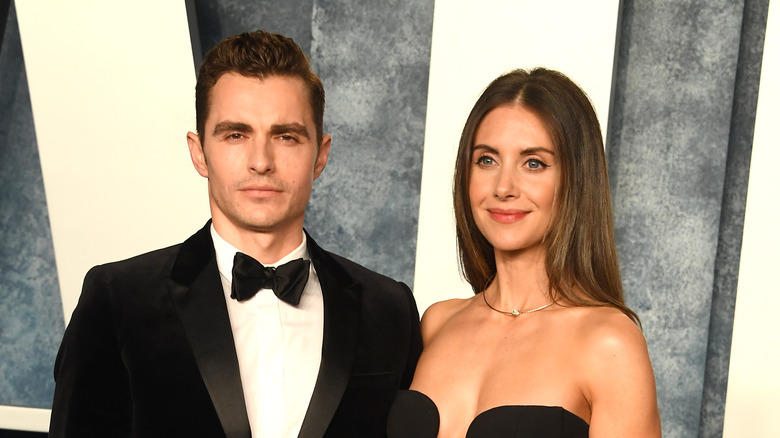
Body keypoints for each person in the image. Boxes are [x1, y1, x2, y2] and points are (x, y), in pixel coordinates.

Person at [49, 30, 422, 438]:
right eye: (235, 134)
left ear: (321, 155)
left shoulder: (388, 309)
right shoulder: (116, 299)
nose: (261, 161)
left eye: (286, 136)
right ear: (198, 152)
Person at [387, 68, 661, 437]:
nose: (503, 187)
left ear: (575, 180)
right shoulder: (437, 323)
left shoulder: (609, 344)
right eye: (487, 159)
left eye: (534, 163)